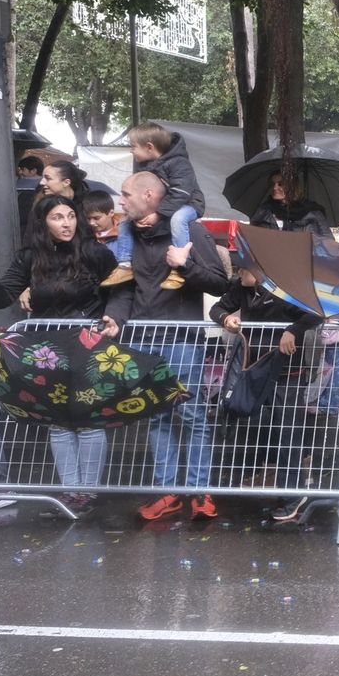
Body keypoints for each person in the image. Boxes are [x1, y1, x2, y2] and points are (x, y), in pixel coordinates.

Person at [0, 195, 118, 517]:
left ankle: (89, 492)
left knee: (89, 420)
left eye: (70, 216)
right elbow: (1, 299)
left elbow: (121, 289)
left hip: (89, 344)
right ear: (43, 223)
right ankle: (71, 493)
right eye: (57, 217)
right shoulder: (29, 258)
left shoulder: (95, 253)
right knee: (58, 423)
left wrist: (114, 318)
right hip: (47, 350)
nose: (67, 223)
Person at [102, 171, 230, 521]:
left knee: (192, 416)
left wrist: (184, 264)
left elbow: (220, 283)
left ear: (148, 196)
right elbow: (125, 289)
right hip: (142, 341)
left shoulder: (189, 231)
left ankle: (200, 491)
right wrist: (115, 316)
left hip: (182, 340)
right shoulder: (129, 237)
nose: (121, 201)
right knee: (156, 417)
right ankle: (167, 492)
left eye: (126, 194)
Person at [209, 262, 323, 522]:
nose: (239, 273)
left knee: (288, 432)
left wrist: (292, 330)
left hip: (287, 372)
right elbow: (217, 308)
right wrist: (226, 319)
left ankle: (292, 493)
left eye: (244, 269)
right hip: (255, 369)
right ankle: (268, 477)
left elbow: (316, 313)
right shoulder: (241, 288)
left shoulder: (286, 288)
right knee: (259, 426)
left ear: (260, 270)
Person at [105, 123, 206, 291]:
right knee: (124, 221)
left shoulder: (179, 163)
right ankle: (124, 265)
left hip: (189, 204)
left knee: (178, 219)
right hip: (169, 205)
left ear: (149, 147)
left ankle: (179, 265)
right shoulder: (147, 165)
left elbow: (180, 192)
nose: (131, 151)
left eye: (133, 146)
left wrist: (158, 214)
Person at [248, 172, 331, 235]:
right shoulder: (264, 211)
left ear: (292, 186)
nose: (275, 188)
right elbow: (251, 237)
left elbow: (329, 243)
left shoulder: (313, 212)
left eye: (280, 184)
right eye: (272, 184)